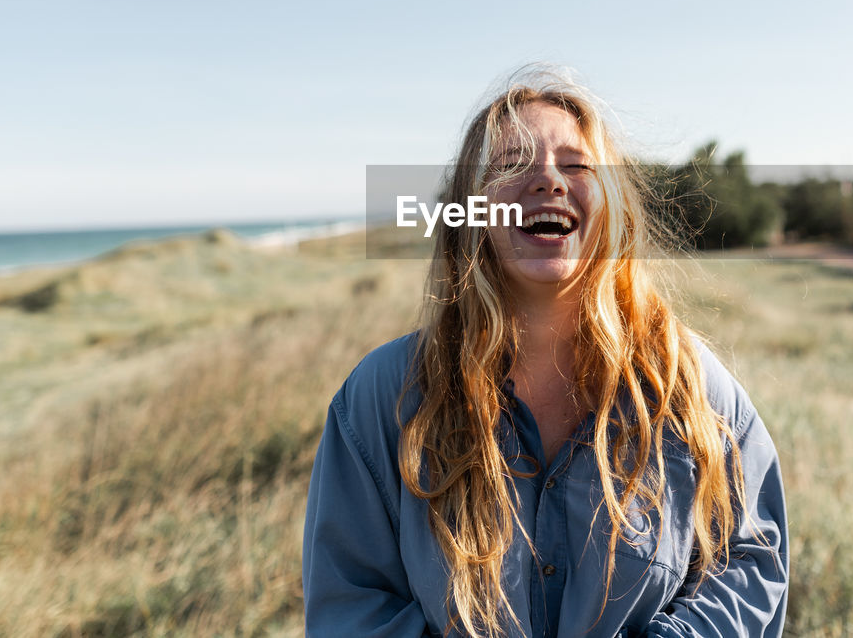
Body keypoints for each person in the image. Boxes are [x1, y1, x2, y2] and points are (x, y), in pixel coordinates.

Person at [303, 69, 789, 637]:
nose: (548, 180)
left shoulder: (691, 390)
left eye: (577, 164)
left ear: (610, 206)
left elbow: (749, 562)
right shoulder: (382, 398)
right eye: (511, 164)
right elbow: (351, 602)